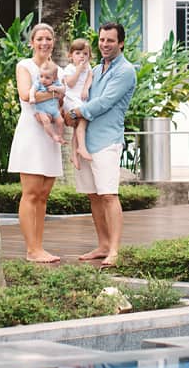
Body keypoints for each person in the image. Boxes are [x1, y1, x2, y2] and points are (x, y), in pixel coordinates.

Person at [76, 20, 138, 267]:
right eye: (102, 40)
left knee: (109, 195)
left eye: (110, 40)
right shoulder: (96, 68)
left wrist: (74, 112)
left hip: (107, 141)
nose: (104, 44)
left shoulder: (125, 71)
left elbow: (103, 103)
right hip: (87, 140)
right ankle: (102, 244)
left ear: (121, 43)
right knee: (94, 195)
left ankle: (114, 249)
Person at [9, 23, 68, 262]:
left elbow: (62, 102)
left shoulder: (60, 71)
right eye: (40, 38)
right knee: (31, 193)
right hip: (31, 134)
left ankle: (39, 247)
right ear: (32, 42)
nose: (45, 43)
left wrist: (60, 100)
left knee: (43, 195)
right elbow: (26, 95)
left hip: (50, 134)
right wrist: (56, 93)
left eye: (49, 39)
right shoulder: (24, 66)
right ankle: (31, 249)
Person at [62, 36, 95, 171]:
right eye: (78, 53)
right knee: (83, 121)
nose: (82, 56)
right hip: (71, 100)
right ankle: (81, 147)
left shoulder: (88, 68)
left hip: (81, 99)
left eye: (85, 53)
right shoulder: (69, 68)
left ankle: (74, 154)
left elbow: (90, 78)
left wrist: (87, 88)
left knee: (80, 126)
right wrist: (78, 70)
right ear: (71, 56)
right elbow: (70, 83)